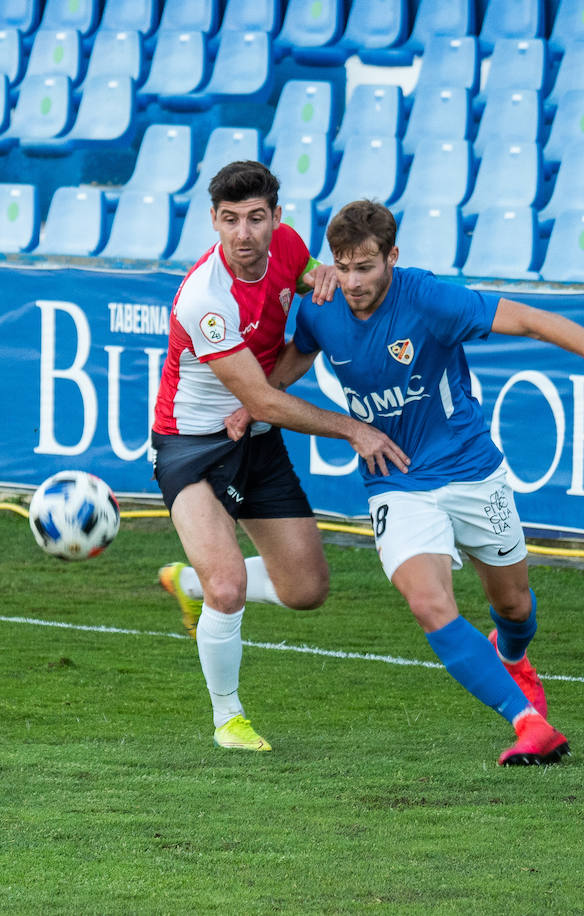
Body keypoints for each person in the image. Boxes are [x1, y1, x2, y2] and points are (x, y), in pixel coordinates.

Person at [265, 199, 584, 765]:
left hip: (472, 471)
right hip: (397, 482)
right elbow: (293, 361)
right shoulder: (320, 306)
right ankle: (528, 722)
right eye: (344, 265)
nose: (353, 282)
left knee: (513, 607)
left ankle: (513, 657)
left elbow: (530, 319)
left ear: (392, 257)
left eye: (366, 267)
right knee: (428, 603)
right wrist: (250, 405)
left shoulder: (429, 297)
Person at [151, 162, 409, 753]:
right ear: (213, 221)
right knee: (230, 587)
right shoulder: (204, 300)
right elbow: (262, 396)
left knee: (307, 588)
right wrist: (354, 430)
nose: (244, 233)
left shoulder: (290, 249)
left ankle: (188, 583)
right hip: (190, 445)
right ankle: (228, 720)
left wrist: (321, 277)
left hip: (256, 437)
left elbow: (307, 306)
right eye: (231, 220)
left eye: (256, 218)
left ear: (277, 219)